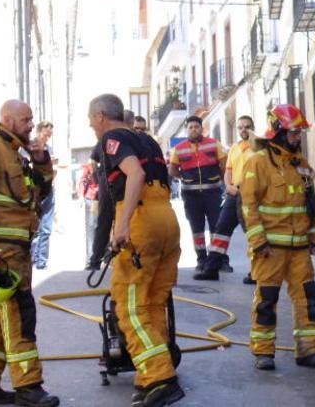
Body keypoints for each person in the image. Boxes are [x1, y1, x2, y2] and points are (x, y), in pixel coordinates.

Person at [88, 94, 185, 407]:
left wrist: (123, 225)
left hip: (142, 221)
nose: (91, 125)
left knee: (129, 306)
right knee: (154, 302)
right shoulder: (147, 140)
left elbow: (136, 174)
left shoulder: (111, 139)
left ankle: (159, 377)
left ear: (101, 115)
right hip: (166, 220)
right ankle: (150, 376)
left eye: (91, 119)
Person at [0, 100, 59, 406]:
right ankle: (28, 386)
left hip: (19, 251)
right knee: (20, 315)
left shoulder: (17, 153)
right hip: (2, 251)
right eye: (26, 119)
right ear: (7, 118)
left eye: (32, 119)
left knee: (5, 316)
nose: (32, 124)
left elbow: (40, 195)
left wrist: (41, 160)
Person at [241, 104, 315, 371]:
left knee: (308, 299)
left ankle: (308, 351)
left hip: (300, 248)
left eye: (299, 133)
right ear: (278, 131)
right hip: (270, 249)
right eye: (293, 133)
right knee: (267, 300)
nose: (298, 137)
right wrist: (259, 242)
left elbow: (310, 203)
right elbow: (249, 205)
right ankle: (263, 352)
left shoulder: (300, 163)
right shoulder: (257, 162)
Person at [193, 116, 255, 280]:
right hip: (233, 194)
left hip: (252, 196)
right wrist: (228, 186)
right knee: (221, 230)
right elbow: (228, 171)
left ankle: (257, 272)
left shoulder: (259, 148)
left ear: (252, 128)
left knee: (253, 233)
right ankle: (211, 269)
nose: (244, 130)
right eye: (240, 127)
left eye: (247, 127)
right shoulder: (234, 148)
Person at [168, 116, 227, 270]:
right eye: (191, 127)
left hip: (213, 193)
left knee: (217, 227)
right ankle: (201, 260)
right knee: (197, 229)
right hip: (191, 196)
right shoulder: (179, 148)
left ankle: (219, 260)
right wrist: (185, 178)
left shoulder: (214, 144)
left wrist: (221, 180)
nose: (194, 129)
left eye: (196, 127)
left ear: (202, 128)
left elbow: (224, 165)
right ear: (187, 130)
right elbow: (172, 169)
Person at [30, 121, 55, 270]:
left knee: (46, 229)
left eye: (50, 135)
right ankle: (33, 259)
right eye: (46, 134)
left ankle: (42, 263)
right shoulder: (30, 147)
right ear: (39, 132)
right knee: (36, 229)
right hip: (35, 192)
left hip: (49, 190)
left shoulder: (49, 148)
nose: (48, 138)